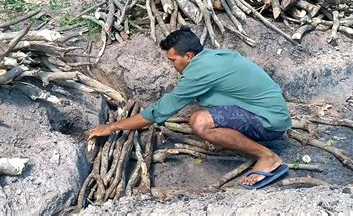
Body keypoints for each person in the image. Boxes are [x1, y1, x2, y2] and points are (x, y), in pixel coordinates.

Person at [88, 27, 292, 188]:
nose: (171, 65)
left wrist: (113, 127)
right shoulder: (212, 57)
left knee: (200, 121)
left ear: (188, 56)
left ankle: (267, 157)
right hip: (271, 114)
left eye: (173, 60)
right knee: (201, 115)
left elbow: (158, 112)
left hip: (270, 122)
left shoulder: (199, 71)